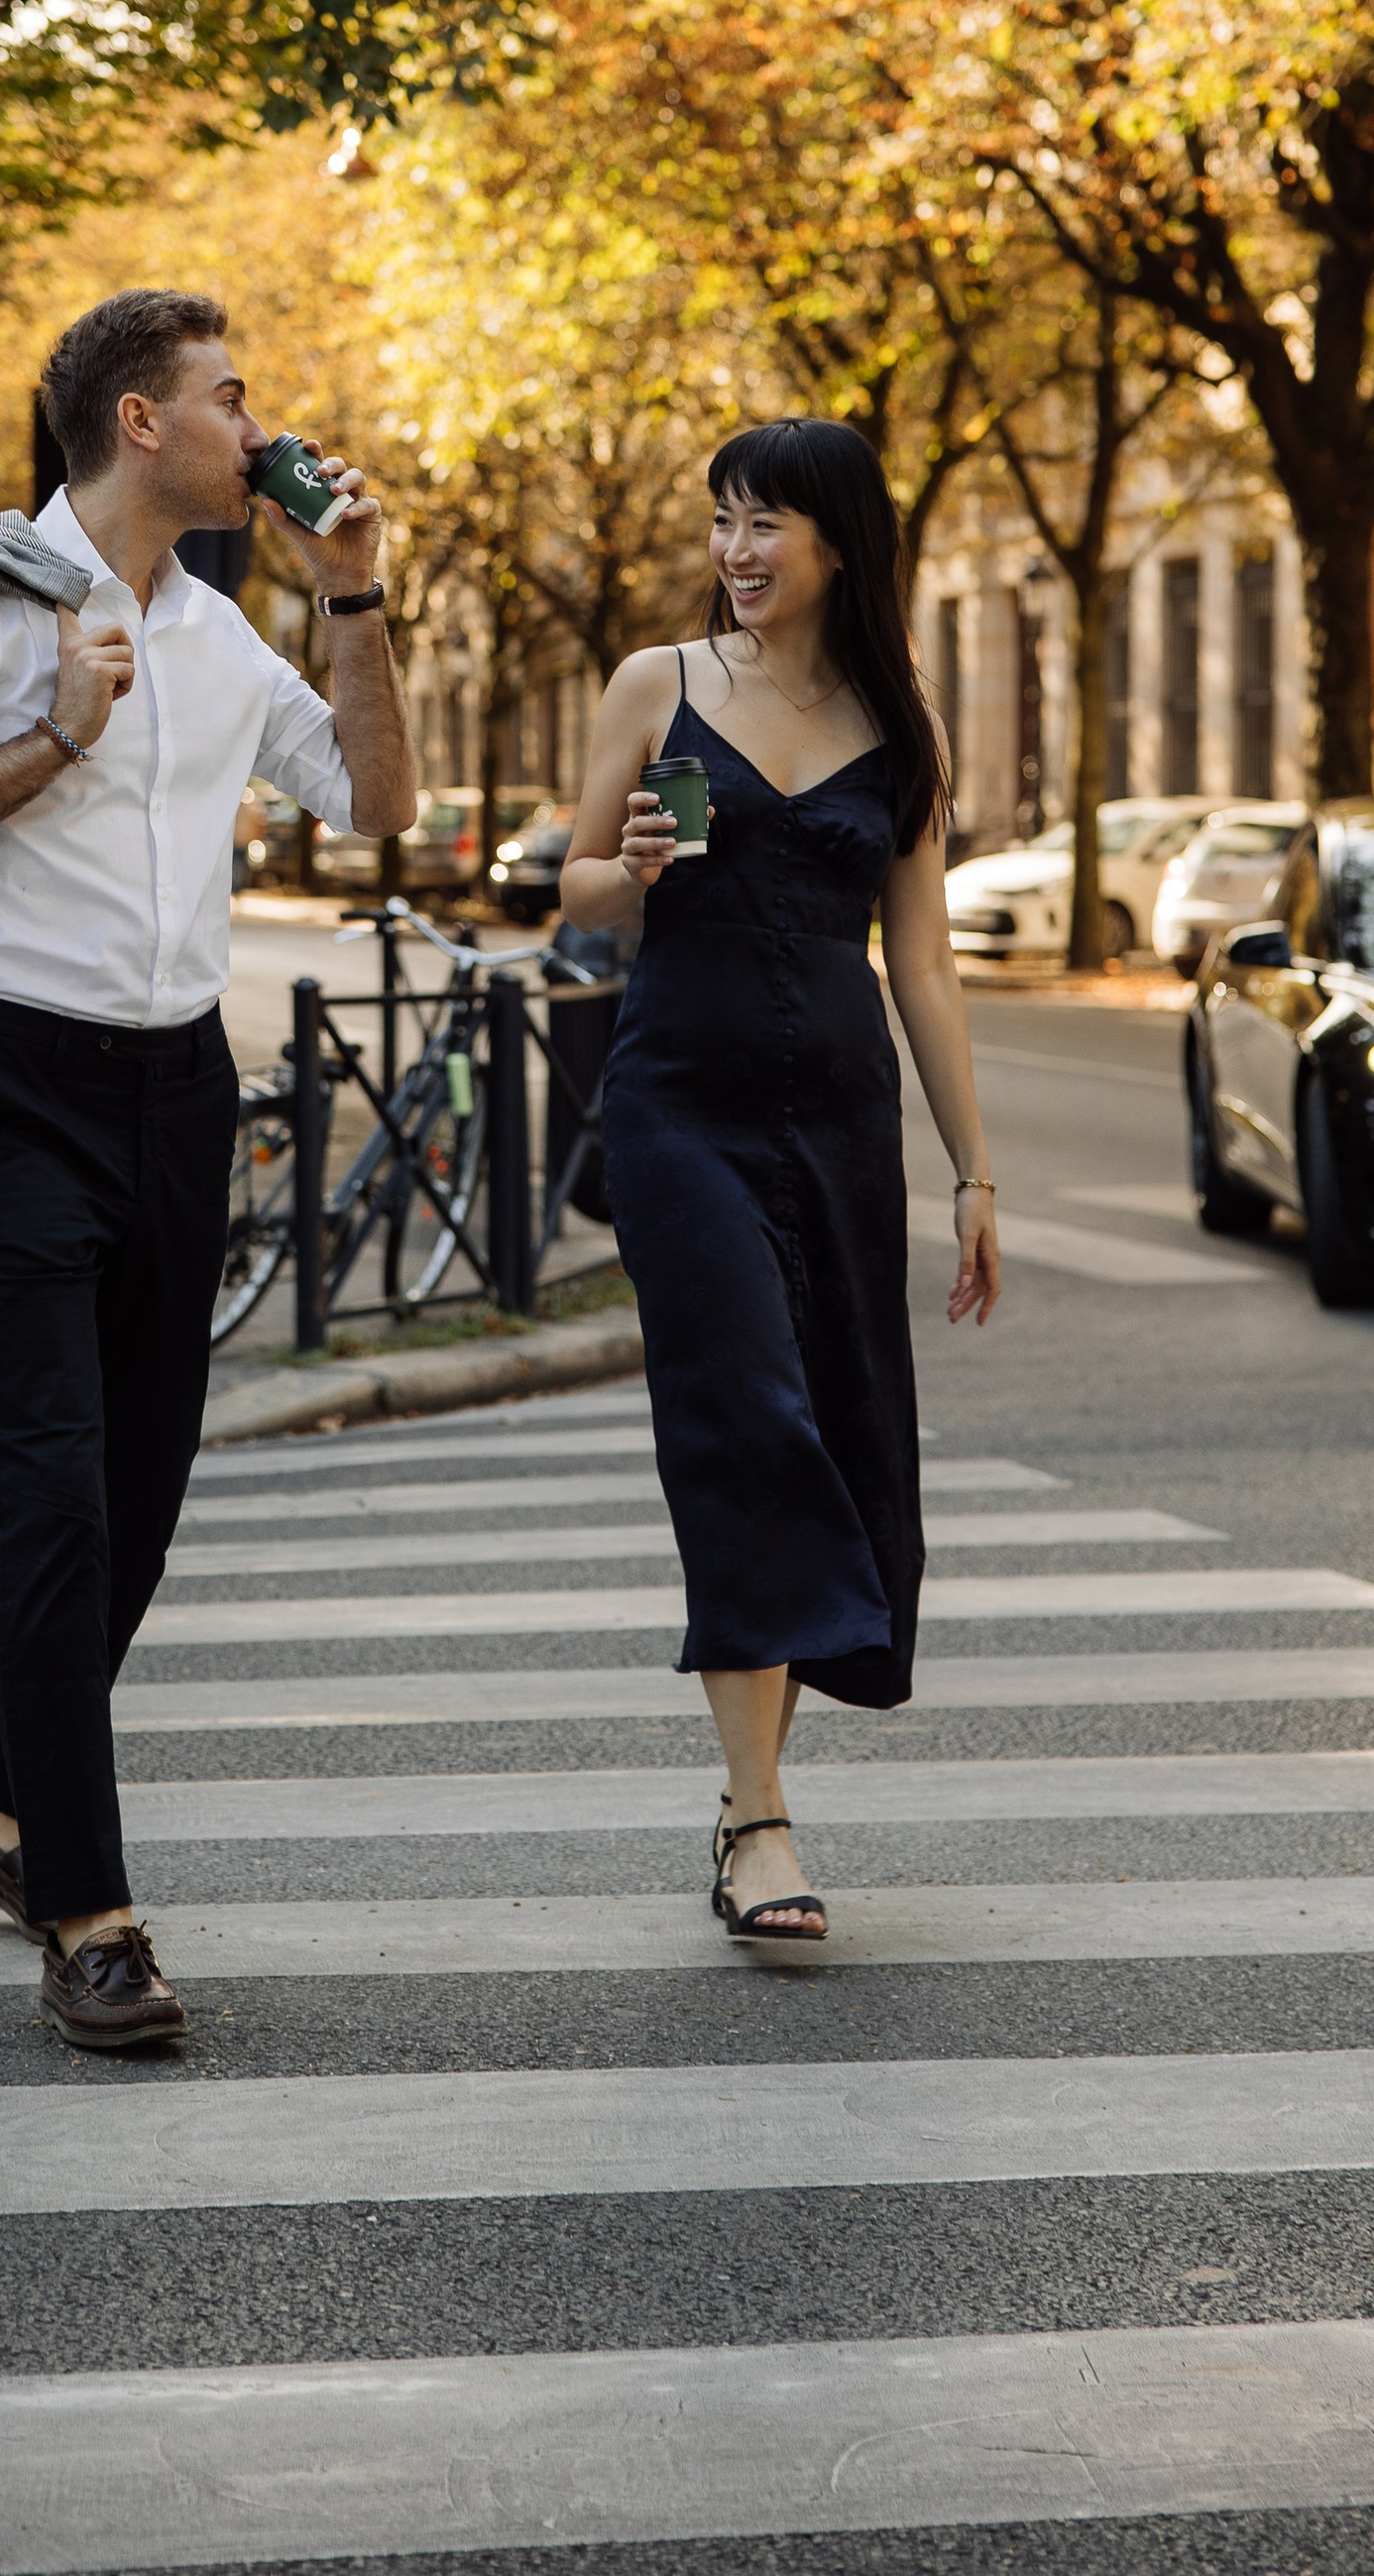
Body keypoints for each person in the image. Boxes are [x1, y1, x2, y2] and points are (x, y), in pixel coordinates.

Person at [0, 290, 415, 2049]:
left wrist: (351, 591)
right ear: (143, 424)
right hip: (4, 1079)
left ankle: (11, 1818)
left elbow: (377, 802)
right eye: (236, 399)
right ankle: (91, 1910)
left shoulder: (224, 637)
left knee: (141, 1489)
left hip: (176, 1088)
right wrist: (53, 732)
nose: (260, 425)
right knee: (54, 1487)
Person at [562, 417, 1000, 1949]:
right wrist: (629, 867)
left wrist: (975, 1174)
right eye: (724, 523)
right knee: (743, 1414)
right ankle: (759, 1823)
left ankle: (753, 1793)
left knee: (836, 1429)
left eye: (767, 526)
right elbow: (583, 893)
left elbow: (927, 967)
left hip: (839, 1122)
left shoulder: (902, 724)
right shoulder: (660, 686)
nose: (738, 554)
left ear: (836, 541)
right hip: (680, 1105)